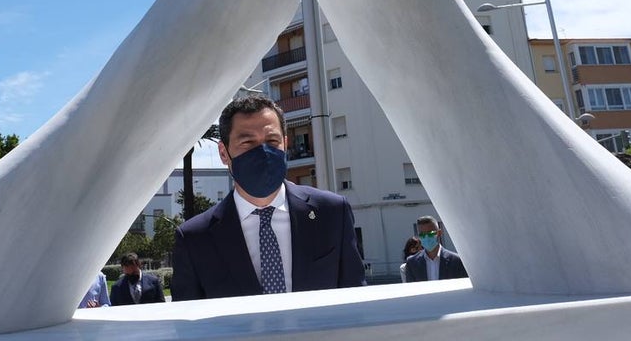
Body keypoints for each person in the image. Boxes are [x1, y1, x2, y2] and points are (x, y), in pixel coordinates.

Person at [171, 96, 365, 300]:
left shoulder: (331, 213)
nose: (263, 152)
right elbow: (190, 326)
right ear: (223, 152)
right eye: (247, 142)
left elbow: (355, 301)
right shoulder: (194, 239)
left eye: (272, 141)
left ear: (285, 143)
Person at [403, 216, 466, 282]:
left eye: (430, 233)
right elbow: (412, 289)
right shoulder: (412, 263)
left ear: (439, 233)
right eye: (422, 235)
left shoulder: (456, 261)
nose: (426, 237)